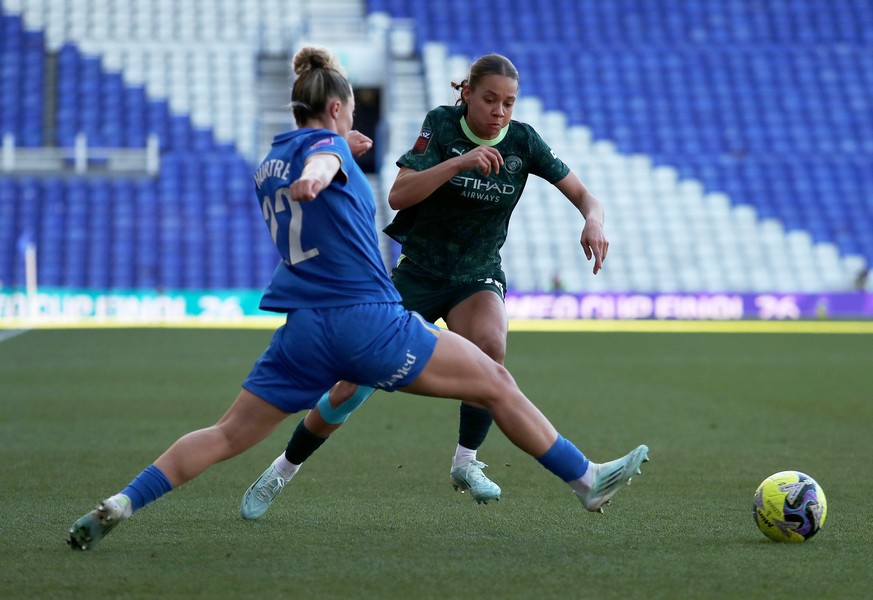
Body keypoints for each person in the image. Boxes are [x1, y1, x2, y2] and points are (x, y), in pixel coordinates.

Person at [67, 46, 647, 551]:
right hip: (368, 321)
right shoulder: (328, 153)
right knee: (495, 382)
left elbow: (315, 153)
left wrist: (331, 153)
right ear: (340, 108)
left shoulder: (270, 161)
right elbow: (324, 159)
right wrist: (327, 164)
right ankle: (586, 480)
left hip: (303, 332)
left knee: (224, 434)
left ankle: (121, 502)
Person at [240, 52, 610, 517]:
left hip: (476, 272)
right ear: (467, 93)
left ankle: (467, 462)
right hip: (418, 271)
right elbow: (400, 194)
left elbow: (584, 195)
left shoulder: (523, 142)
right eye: (490, 99)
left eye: (509, 103)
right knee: (349, 387)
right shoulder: (441, 126)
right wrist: (459, 164)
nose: (499, 112)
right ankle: (283, 469)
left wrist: (592, 221)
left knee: (491, 348)